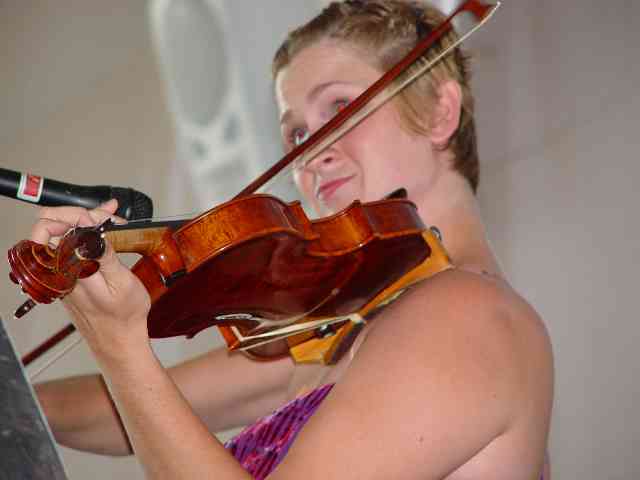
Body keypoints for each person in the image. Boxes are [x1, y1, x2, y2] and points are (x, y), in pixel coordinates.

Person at [31, 1, 554, 479]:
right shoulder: (345, 328)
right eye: (297, 134)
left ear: (440, 111)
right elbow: (114, 413)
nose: (312, 153)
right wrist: (17, 393)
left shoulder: (466, 315)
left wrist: (121, 348)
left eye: (340, 107)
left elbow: (135, 388)